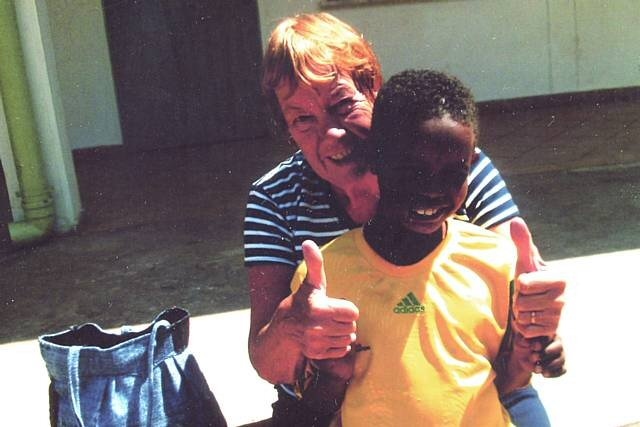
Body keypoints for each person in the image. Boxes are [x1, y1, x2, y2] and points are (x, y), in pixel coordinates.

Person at [244, 12, 565, 426]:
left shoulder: (457, 170)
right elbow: (267, 362)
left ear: (373, 88)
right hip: (327, 400)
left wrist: (538, 309)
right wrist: (294, 324)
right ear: (287, 128)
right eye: (303, 119)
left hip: (470, 389)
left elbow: (520, 288)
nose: (332, 135)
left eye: (342, 105)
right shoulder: (274, 197)